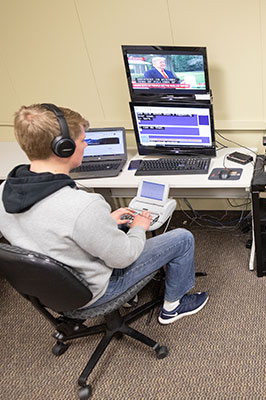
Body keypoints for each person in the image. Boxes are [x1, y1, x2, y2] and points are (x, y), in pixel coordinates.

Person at [0, 104, 207, 325]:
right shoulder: (83, 205)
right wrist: (139, 226)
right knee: (182, 238)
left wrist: (105, 222)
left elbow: (51, 231)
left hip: (50, 291)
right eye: (82, 140)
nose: (86, 144)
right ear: (64, 148)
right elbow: (124, 257)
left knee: (121, 226)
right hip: (94, 292)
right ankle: (173, 306)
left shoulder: (4, 191)